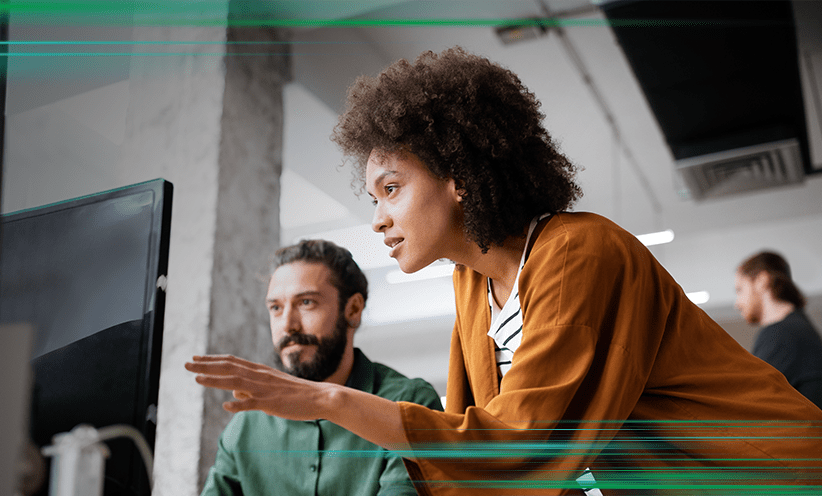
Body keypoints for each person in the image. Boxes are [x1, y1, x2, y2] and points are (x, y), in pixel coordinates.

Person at [187, 47, 822, 495]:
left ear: (458, 176)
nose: (378, 219)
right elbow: (485, 456)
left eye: (390, 187)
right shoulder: (474, 286)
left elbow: (512, 443)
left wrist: (327, 399)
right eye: (372, 198)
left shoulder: (577, 252)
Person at [199, 239, 443, 496]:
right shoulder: (246, 424)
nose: (288, 325)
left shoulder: (409, 405)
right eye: (276, 308)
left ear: (353, 309)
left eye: (306, 303)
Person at [735, 251, 822, 409]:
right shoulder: (796, 328)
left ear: (762, 280)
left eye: (740, 290)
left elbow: (750, 404)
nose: (737, 303)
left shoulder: (783, 334)